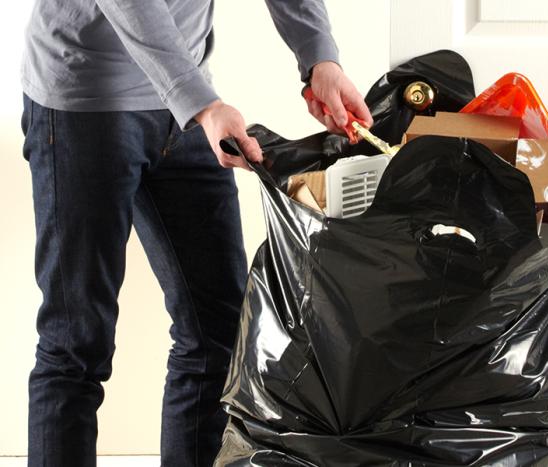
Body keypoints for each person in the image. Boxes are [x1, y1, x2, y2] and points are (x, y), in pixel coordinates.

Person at [20, 1, 373, 466]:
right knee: (76, 343)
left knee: (217, 333)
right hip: (88, 101)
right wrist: (201, 103)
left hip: (185, 106)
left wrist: (318, 57)